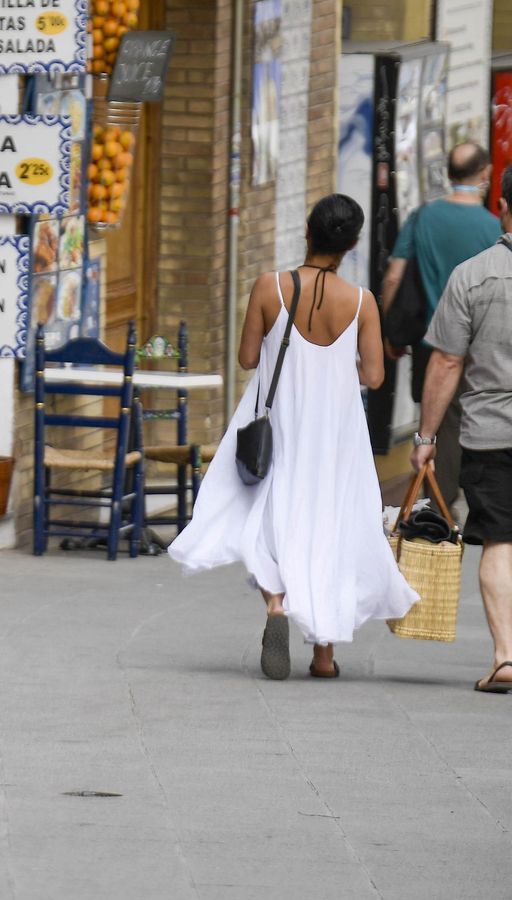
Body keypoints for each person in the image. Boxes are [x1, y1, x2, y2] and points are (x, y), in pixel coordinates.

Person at [170, 194, 418, 681]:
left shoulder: (270, 287)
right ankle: (323, 657)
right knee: (330, 527)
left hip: (279, 423)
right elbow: (373, 376)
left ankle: (277, 605)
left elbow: (246, 358)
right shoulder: (363, 303)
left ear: (308, 230)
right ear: (352, 244)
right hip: (335, 433)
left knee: (267, 516)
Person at [409, 167, 512, 694]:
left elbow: (447, 362)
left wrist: (426, 437)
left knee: (499, 540)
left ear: (503, 205)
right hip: (490, 430)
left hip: (490, 432)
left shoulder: (472, 275)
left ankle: (505, 656)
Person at [382, 143, 502, 508]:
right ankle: (465, 498)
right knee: (472, 418)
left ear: (449, 174)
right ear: (485, 173)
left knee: (435, 421)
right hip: (481, 346)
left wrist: (390, 330)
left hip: (429, 345)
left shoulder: (422, 217)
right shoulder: (492, 226)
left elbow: (393, 277)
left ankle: (440, 504)